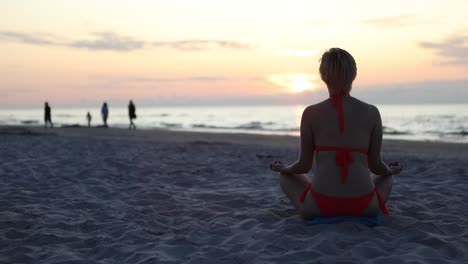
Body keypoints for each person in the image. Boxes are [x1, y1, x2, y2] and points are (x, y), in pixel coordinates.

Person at [270, 48, 402, 219]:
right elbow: (376, 166)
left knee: (285, 176)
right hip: (363, 205)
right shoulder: (371, 112)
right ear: (353, 75)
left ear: (323, 76)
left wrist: (285, 168)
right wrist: (391, 171)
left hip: (320, 206)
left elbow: (303, 166)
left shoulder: (310, 113)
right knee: (385, 177)